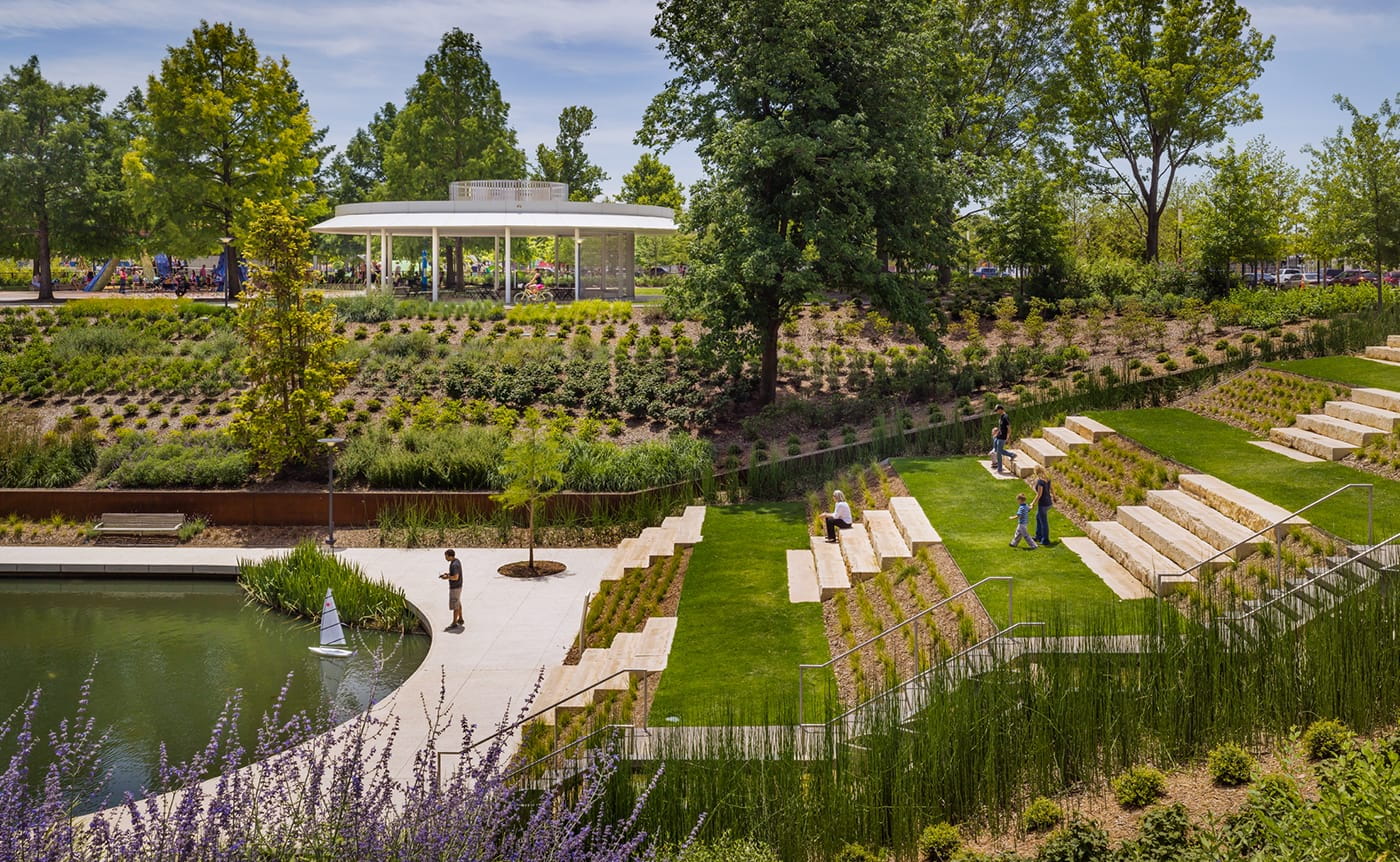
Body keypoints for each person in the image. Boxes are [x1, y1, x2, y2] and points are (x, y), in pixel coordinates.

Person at [439, 549, 464, 630]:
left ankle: (454, 623)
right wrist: (448, 574)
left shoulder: (454, 565)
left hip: (455, 587)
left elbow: (456, 577)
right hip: (458, 586)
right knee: (458, 602)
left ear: (450, 556)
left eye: (446, 556)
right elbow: (455, 574)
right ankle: (460, 618)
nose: (445, 558)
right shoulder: (456, 561)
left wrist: (447, 577)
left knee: (455, 605)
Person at [991, 405, 1016, 473]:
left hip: (1003, 437)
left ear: (1001, 409)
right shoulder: (1001, 417)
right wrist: (997, 434)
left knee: (999, 452)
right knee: (997, 450)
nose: (996, 412)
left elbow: (1009, 427)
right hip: (999, 436)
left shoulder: (1005, 417)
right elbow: (1001, 427)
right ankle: (1011, 455)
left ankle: (1000, 468)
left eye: (997, 410)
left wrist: (1008, 436)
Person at [1032, 467, 1054, 546]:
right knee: (1038, 517)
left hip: (1043, 504)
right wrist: (1054, 497)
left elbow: (1039, 495)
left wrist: (1033, 503)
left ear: (1036, 472)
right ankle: (1038, 536)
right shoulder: (1047, 479)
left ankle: (1045, 540)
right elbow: (1052, 489)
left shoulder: (1040, 481)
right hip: (1049, 503)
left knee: (1044, 522)